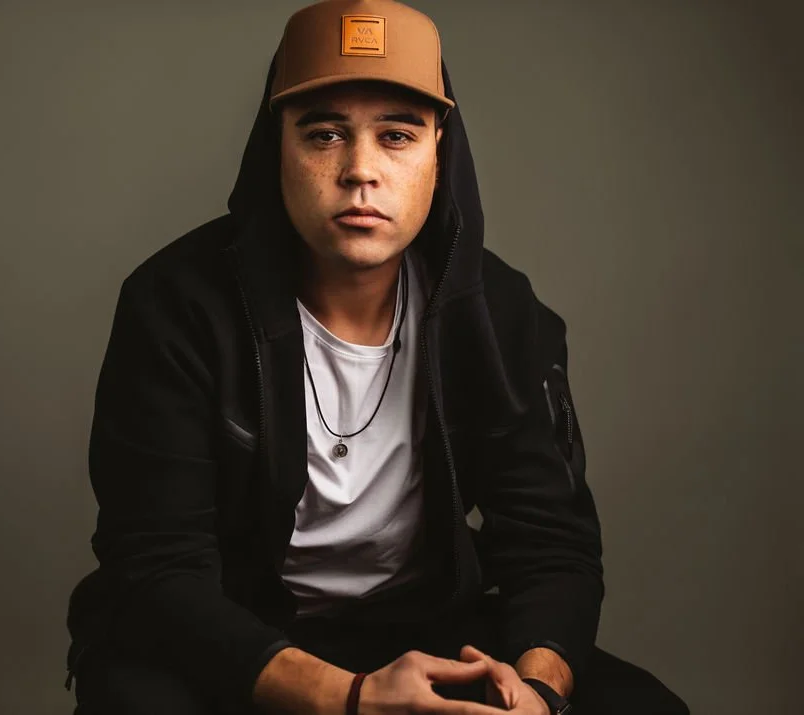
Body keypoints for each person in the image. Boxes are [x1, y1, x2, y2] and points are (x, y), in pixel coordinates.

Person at [65, 1, 690, 713]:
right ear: (277, 146)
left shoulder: (501, 311)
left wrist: (539, 689)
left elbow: (552, 543)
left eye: (397, 135)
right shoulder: (176, 305)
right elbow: (157, 567)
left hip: (423, 628)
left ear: (439, 154)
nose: (360, 171)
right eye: (324, 133)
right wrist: (353, 697)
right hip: (236, 633)